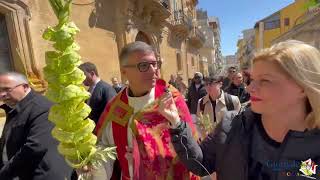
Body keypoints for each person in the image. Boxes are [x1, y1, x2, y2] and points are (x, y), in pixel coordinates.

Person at [167, 40, 320, 180]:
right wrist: (177, 124)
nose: (250, 88)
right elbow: (201, 162)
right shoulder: (231, 126)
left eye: (265, 80)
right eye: (252, 80)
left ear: (302, 87)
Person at [92, 41, 198, 179]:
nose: (153, 70)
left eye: (155, 64)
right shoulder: (116, 108)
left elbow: (191, 146)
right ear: (124, 71)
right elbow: (104, 150)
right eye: (144, 65)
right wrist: (92, 166)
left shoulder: (171, 99)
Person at [0, 72, 72, 180]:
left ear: (25, 87)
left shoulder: (42, 107)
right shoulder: (16, 107)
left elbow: (34, 147)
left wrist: (5, 171)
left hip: (43, 174)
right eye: (0, 90)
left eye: (7, 89)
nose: (2, 95)